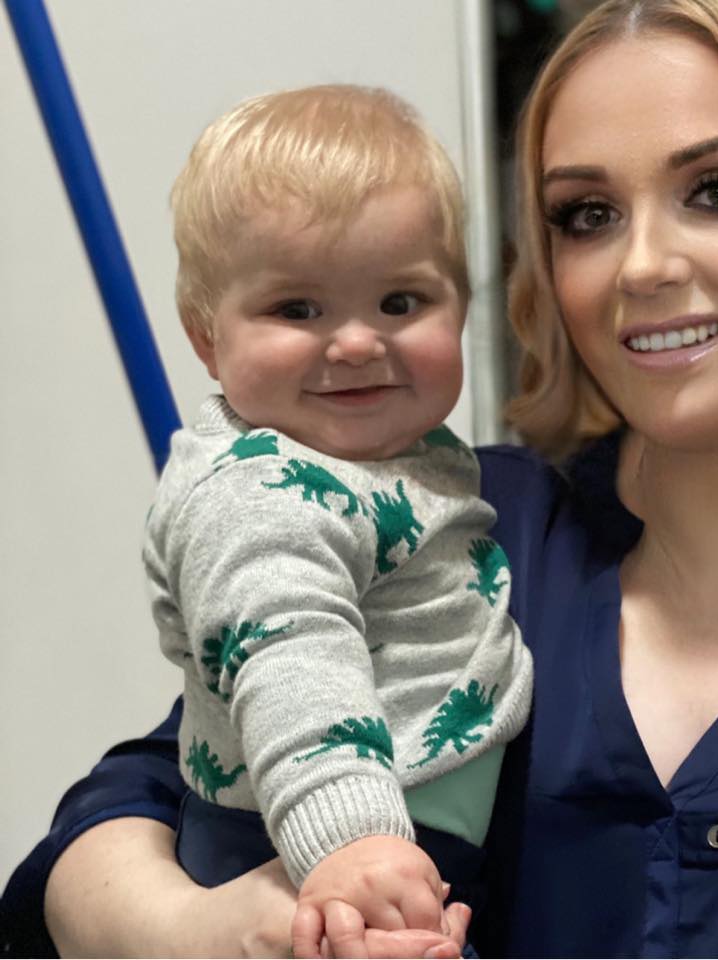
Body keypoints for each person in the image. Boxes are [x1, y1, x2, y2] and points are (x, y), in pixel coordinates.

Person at [2, 1, 718, 957]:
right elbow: (126, 809)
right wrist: (197, 930)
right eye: (587, 216)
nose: (643, 266)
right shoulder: (458, 520)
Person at [141, 83, 532, 956]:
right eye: (297, 309)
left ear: (462, 308)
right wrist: (350, 842)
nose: (357, 343)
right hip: (320, 849)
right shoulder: (258, 491)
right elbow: (292, 654)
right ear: (206, 336)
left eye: (401, 303)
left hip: (403, 839)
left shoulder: (397, 456)